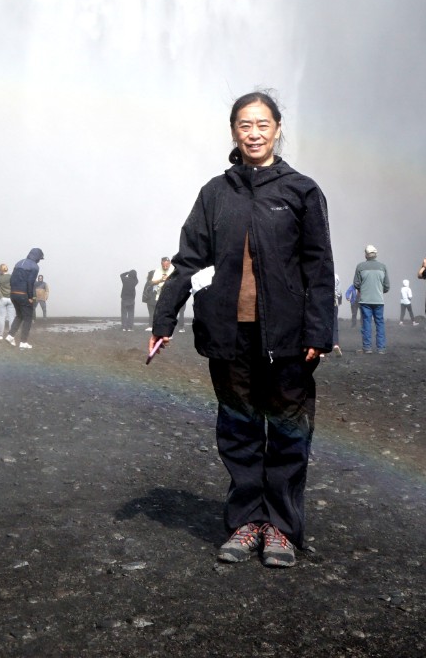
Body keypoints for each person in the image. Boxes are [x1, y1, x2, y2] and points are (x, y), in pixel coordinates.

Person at [149, 91, 334, 569]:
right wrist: (164, 320)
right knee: (238, 429)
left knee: (289, 432)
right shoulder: (215, 193)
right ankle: (246, 521)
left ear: (277, 129)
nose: (254, 133)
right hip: (228, 335)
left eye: (262, 124)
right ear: (234, 131)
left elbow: (319, 267)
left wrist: (320, 330)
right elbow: (189, 259)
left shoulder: (301, 191)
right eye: (244, 125)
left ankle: (282, 529)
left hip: (289, 338)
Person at [353, 245, 388, 353]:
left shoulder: (360, 266)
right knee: (380, 323)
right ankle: (381, 348)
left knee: (366, 323)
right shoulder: (382, 267)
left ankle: (367, 347)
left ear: (366, 255)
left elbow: (356, 284)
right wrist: (378, 291)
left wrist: (364, 289)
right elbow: (386, 286)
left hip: (365, 300)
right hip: (378, 300)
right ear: (375, 254)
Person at [8, 248, 44, 348]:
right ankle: (23, 342)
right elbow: (30, 282)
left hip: (13, 293)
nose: (39, 260)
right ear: (37, 257)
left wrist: (12, 291)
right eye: (40, 258)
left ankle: (10, 335)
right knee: (28, 317)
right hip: (23, 294)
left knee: (19, 315)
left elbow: (12, 279)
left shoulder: (18, 263)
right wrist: (30, 296)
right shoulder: (35, 267)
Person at [0, 262, 15, 340]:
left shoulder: (0, 278)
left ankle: (0, 335)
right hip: (11, 298)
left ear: (0, 270)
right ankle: (11, 335)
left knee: (2, 317)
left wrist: (0, 276)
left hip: (2, 298)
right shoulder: (12, 276)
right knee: (11, 318)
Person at [144, 259, 168, 323]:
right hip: (158, 299)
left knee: (151, 313)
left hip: (150, 299)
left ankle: (151, 325)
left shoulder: (149, 282)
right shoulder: (160, 282)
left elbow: (145, 291)